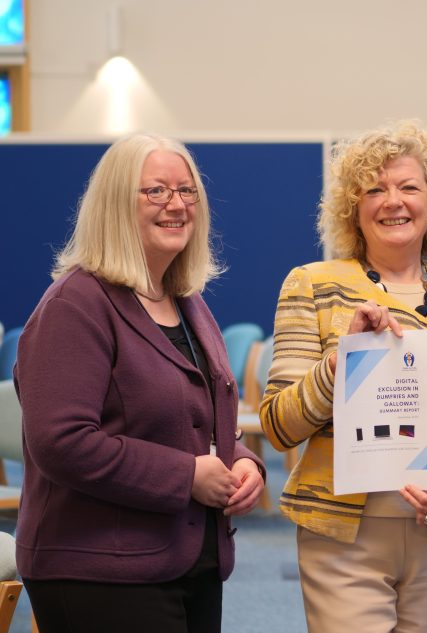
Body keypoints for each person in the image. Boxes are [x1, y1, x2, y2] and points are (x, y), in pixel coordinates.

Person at [259, 120, 427, 633]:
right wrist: (339, 363)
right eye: (374, 189)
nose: (392, 201)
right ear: (353, 208)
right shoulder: (312, 285)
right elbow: (277, 425)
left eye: (408, 187)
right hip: (342, 537)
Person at [13, 133, 266, 633]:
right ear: (114, 204)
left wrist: (245, 463)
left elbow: (204, 421)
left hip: (188, 558)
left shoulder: (186, 301)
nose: (176, 204)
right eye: (156, 191)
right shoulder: (75, 305)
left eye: (186, 190)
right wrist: (186, 476)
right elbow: (60, 442)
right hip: (98, 570)